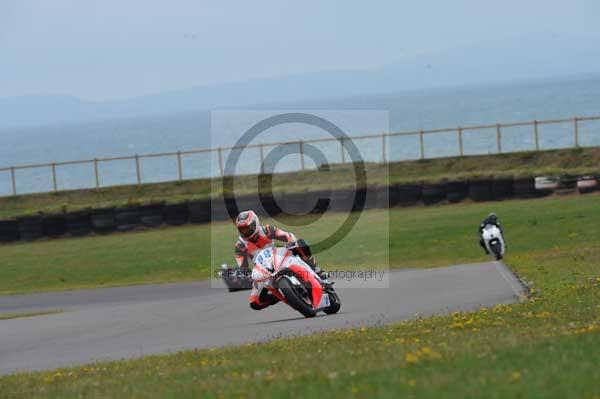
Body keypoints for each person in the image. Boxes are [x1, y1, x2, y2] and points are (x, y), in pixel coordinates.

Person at [234, 210, 324, 310]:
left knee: (301, 243)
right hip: (263, 269)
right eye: (242, 230)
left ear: (256, 223)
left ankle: (316, 269)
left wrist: (291, 242)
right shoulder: (240, 245)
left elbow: (287, 235)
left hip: (278, 257)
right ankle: (281, 296)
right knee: (255, 303)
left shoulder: (267, 230)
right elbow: (241, 263)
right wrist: (245, 273)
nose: (246, 232)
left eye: (248, 228)